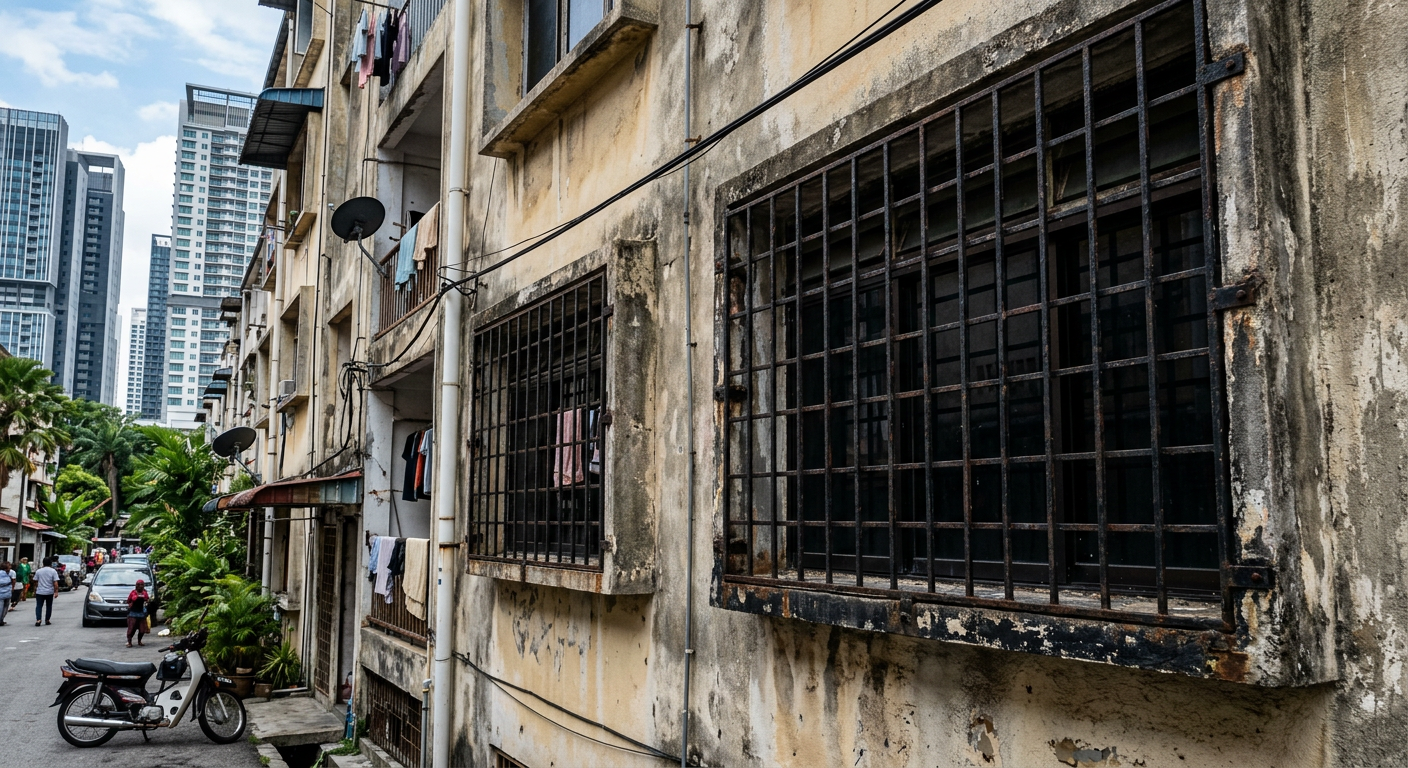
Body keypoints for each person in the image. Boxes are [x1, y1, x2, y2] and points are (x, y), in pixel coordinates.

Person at [32, 558, 58, 626]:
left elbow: (35, 581)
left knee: (39, 606)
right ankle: (47, 620)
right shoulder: (53, 571)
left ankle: (38, 619)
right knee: (49, 606)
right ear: (50, 563)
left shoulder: (38, 571)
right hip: (49, 592)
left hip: (40, 591)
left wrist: (35, 589)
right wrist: (56, 592)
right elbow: (55, 583)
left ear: (43, 563)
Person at [126, 579, 151, 647]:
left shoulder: (144, 592)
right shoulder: (133, 592)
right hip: (133, 613)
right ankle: (129, 642)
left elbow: (147, 599)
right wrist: (136, 597)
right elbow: (129, 600)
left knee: (142, 630)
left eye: (142, 585)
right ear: (136, 586)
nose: (140, 586)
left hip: (141, 613)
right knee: (131, 629)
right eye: (138, 585)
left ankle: (139, 641)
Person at [0, 562, 14, 626]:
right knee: (5, 607)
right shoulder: (9, 574)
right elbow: (12, 581)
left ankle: (0, 620)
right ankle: (1, 619)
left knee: (1, 607)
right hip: (7, 593)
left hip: (1, 594)